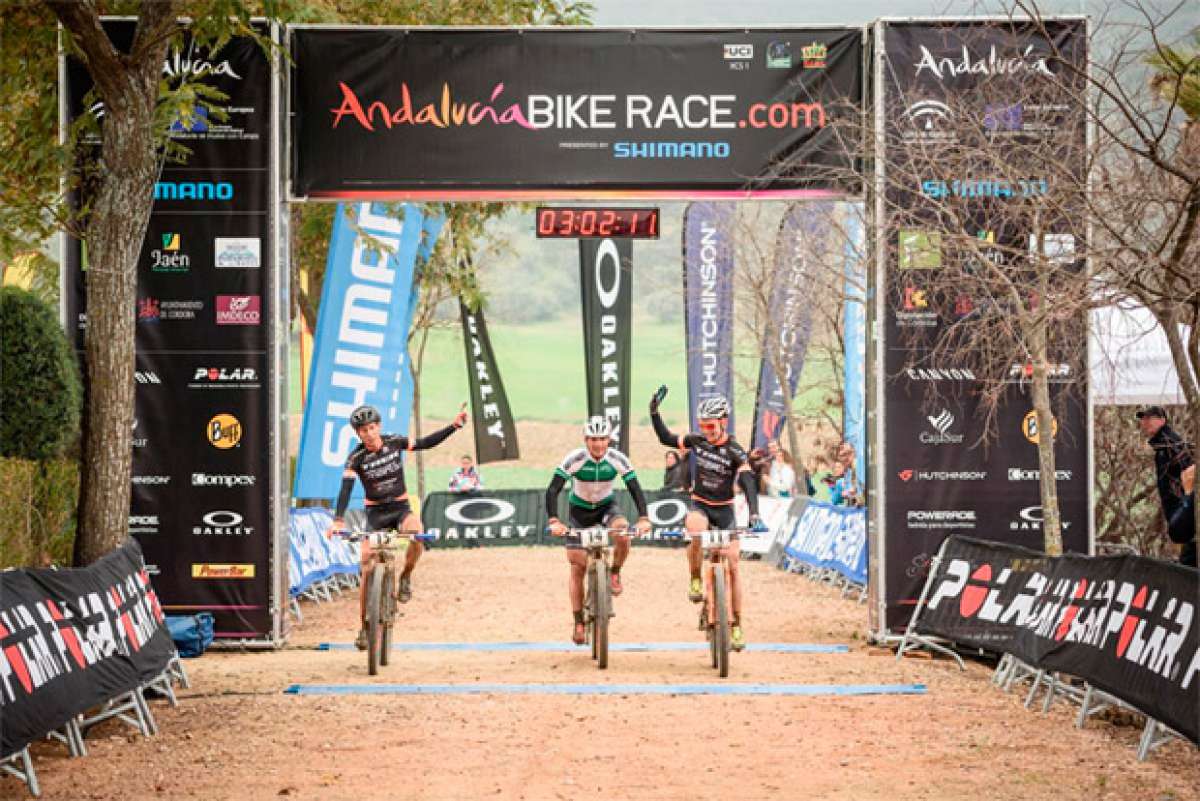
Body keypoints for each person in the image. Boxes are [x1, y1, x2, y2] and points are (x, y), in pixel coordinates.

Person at [327, 403, 467, 650]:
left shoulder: (394, 442)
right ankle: (364, 627)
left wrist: (454, 426)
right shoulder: (355, 458)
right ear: (357, 433)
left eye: (372, 428)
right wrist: (338, 519)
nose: (369, 434)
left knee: (417, 532)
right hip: (376, 515)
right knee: (366, 563)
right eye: (363, 430)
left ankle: (406, 576)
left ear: (378, 427)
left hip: (400, 508)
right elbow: (345, 489)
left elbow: (425, 442)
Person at [649, 386, 762, 651]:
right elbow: (667, 438)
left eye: (711, 426)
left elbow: (747, 480)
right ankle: (695, 577)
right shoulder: (697, 441)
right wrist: (654, 413)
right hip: (701, 505)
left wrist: (755, 512)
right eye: (703, 425)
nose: (707, 431)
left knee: (733, 565)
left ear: (723, 422)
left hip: (725, 511)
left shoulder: (735, 450)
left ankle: (736, 626)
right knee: (696, 529)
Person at [546, 416, 651, 645]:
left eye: (603, 439)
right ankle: (578, 621)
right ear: (586, 440)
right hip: (579, 512)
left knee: (622, 532)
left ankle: (614, 571)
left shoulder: (616, 459)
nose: (598, 444)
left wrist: (644, 518)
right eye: (594, 439)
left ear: (609, 439)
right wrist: (554, 520)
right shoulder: (575, 459)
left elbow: (635, 488)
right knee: (576, 567)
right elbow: (553, 489)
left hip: (606, 507)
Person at [1137, 406, 1197, 567]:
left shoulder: (1169, 441)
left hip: (1183, 508)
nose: (1145, 422)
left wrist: (1186, 498)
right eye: (1143, 419)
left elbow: (1189, 470)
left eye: (1150, 418)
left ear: (1162, 420)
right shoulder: (1160, 445)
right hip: (1178, 510)